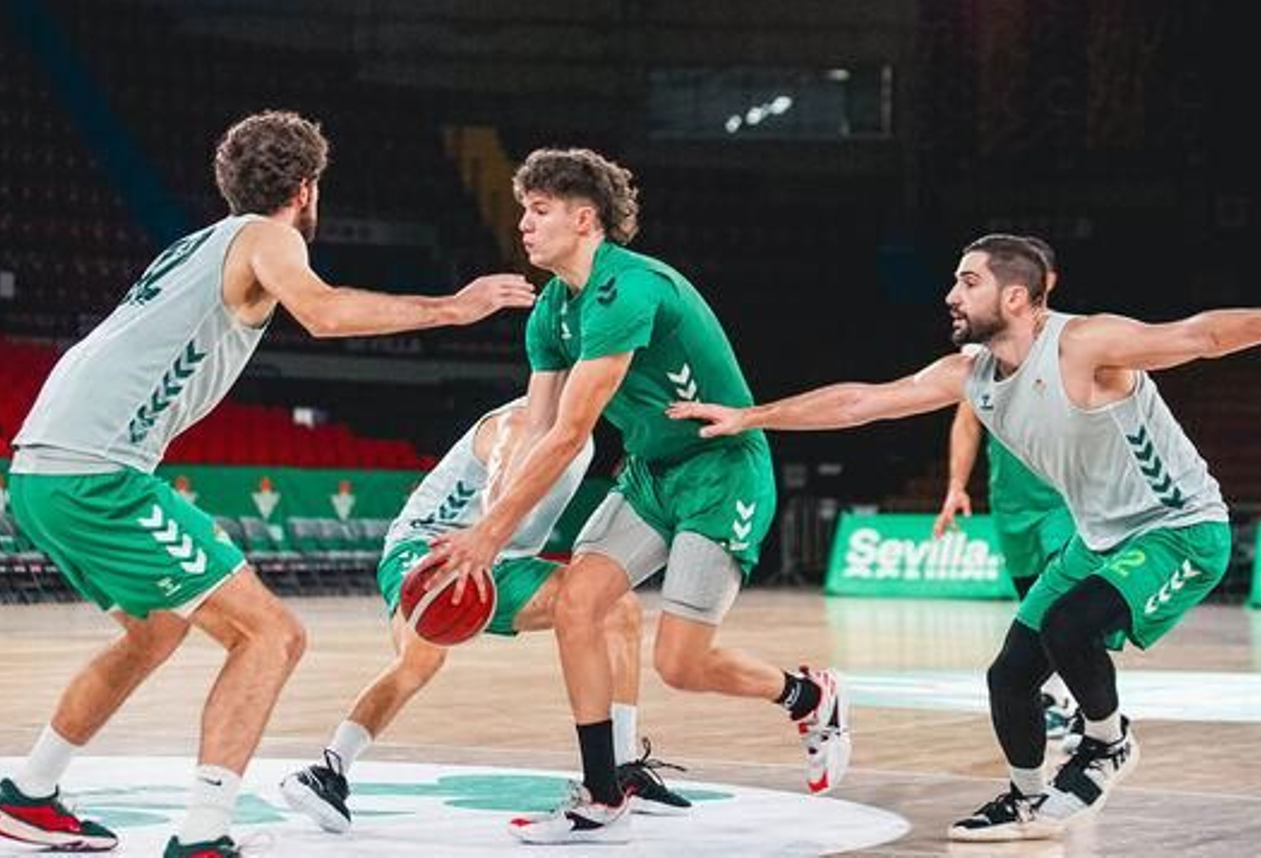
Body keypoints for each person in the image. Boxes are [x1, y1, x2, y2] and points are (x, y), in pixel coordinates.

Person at [668, 234, 1261, 841]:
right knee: (1009, 677)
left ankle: (1108, 743)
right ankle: (1029, 799)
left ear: (1015, 297)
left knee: (1069, 626)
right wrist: (752, 416)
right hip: (1099, 538)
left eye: (967, 281)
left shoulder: (1083, 344)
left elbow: (1197, 336)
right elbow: (864, 401)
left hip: (1179, 529)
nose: (951, 294)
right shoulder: (971, 373)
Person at [0, 110, 535, 858]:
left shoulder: (195, 245)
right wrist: (453, 307)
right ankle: (204, 834)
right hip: (96, 470)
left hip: (43, 466)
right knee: (272, 636)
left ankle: (28, 793)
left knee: (155, 631)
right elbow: (323, 312)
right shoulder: (268, 237)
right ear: (305, 190)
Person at [426, 148, 851, 845]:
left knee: (681, 664)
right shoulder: (550, 314)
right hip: (651, 473)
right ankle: (603, 793)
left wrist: (490, 535)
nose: (523, 224)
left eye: (539, 210)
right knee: (577, 604)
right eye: (523, 210)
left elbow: (572, 433)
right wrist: (493, 522)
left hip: (721, 470)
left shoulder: (629, 289)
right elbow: (538, 430)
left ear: (584, 219)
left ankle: (810, 695)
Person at [278, 399, 692, 833]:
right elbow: (500, 480)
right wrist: (487, 532)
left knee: (616, 607)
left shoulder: (580, 438)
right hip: (432, 546)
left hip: (503, 561)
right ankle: (327, 770)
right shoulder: (518, 422)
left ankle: (622, 770)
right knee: (421, 658)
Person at [933, 237, 1077, 739]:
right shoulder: (984, 353)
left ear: (1045, 282)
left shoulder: (1069, 344)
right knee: (1030, 600)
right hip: (1010, 498)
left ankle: (1081, 707)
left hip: (1063, 497)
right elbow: (966, 420)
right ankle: (1054, 695)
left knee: (1061, 602)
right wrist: (956, 485)